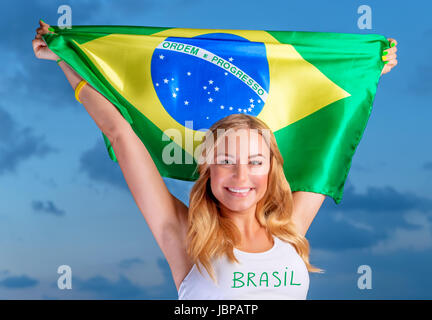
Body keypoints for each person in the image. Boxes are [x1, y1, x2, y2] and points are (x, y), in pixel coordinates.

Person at [32, 20, 398, 299]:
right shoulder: (184, 234)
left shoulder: (291, 229)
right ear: (207, 169)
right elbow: (120, 133)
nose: (242, 175)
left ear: (272, 168)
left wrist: (368, 71)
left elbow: (335, 129)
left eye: (256, 161)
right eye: (227, 160)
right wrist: (67, 59)